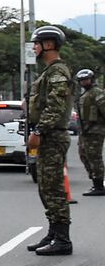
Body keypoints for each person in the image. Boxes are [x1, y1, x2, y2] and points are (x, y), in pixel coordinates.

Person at [25, 25, 74, 254]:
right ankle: (54, 233)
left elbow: (55, 106)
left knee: (53, 189)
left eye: (37, 43)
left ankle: (63, 240)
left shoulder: (57, 72)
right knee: (46, 187)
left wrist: (39, 132)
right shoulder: (49, 71)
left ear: (49, 44)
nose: (34, 47)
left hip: (52, 136)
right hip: (48, 135)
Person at [75, 68, 105, 196]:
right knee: (84, 155)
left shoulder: (97, 93)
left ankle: (99, 185)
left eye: (86, 80)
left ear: (92, 80)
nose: (84, 82)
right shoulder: (85, 95)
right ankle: (94, 181)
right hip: (85, 131)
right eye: (82, 80)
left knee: (94, 157)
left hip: (95, 131)